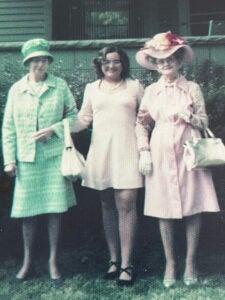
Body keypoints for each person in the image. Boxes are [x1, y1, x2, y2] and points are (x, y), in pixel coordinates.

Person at [135, 32, 220, 288]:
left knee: (193, 206)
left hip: (189, 152)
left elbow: (205, 122)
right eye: (160, 60)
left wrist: (191, 118)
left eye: (170, 58)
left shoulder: (192, 88)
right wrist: (144, 151)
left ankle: (190, 262)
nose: (165, 63)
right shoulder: (151, 91)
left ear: (180, 59)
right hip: (160, 152)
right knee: (164, 209)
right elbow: (141, 124)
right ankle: (171, 262)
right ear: (155, 64)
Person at [2, 38, 77, 284]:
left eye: (44, 59)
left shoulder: (60, 86)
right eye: (35, 60)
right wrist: (9, 160)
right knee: (28, 213)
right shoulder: (16, 89)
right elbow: (8, 128)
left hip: (54, 158)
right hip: (26, 159)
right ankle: (27, 262)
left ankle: (53, 261)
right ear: (27, 63)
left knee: (55, 211)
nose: (40, 64)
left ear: (49, 62)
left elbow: (74, 117)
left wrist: (53, 130)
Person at [73, 46, 144, 286]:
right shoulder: (92, 88)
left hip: (128, 151)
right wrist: (59, 129)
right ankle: (113, 260)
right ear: (99, 64)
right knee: (107, 205)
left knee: (126, 205)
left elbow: (146, 118)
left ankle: (127, 263)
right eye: (106, 62)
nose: (111, 66)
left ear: (123, 63)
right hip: (101, 152)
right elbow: (83, 119)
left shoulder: (135, 86)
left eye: (115, 61)